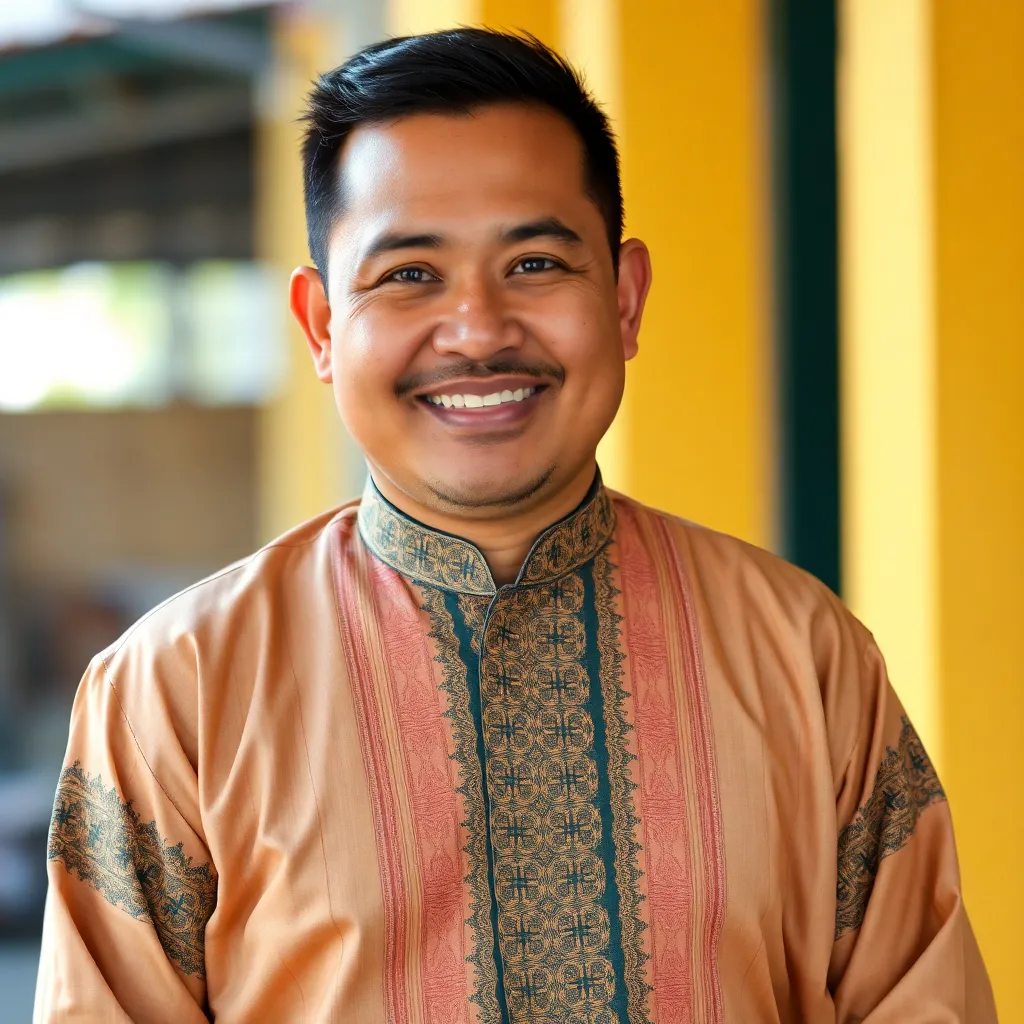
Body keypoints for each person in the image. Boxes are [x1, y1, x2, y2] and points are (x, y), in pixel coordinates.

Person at [34, 28, 995, 1024]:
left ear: (623, 299)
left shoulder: (802, 651)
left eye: (534, 262)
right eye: (409, 274)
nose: (479, 329)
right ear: (322, 325)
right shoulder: (176, 688)